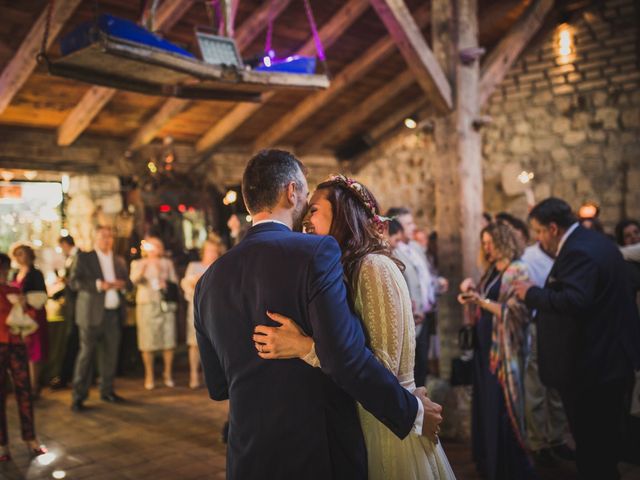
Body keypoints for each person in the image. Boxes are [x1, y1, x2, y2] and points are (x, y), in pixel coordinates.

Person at [194, 149, 444, 480]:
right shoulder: (314, 253)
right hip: (316, 452)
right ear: (291, 191)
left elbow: (218, 386)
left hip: (247, 456)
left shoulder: (208, 280)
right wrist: (410, 411)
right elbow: (345, 356)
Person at [254, 174, 456, 479]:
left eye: (314, 209)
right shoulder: (348, 268)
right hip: (365, 419)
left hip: (386, 424)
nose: (305, 219)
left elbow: (382, 369)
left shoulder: (373, 267)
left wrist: (304, 347)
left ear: (344, 213)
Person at [514, 198, 640, 480]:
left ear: (553, 228)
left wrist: (531, 293)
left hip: (593, 366)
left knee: (593, 448)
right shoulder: (597, 241)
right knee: (605, 443)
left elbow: (575, 299)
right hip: (613, 357)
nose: (537, 237)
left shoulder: (577, 251)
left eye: (538, 231)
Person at [458, 224, 535, 480]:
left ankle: (509, 468)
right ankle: (488, 463)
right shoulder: (492, 269)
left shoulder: (517, 269)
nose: (486, 247)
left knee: (502, 408)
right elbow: (486, 302)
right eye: (484, 242)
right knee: (486, 405)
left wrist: (482, 302)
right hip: (485, 349)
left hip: (504, 351)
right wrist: (471, 295)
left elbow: (518, 312)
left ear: (504, 241)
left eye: (491, 242)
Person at [496, 213, 573, 465]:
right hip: (535, 324)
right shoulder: (528, 258)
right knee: (536, 384)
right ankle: (539, 441)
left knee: (558, 385)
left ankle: (557, 438)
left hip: (561, 322)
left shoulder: (566, 252)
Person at [69, 225, 129, 411]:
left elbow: (129, 283)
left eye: (110, 237)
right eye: (103, 236)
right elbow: (73, 282)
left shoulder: (118, 260)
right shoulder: (84, 258)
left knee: (110, 355)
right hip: (90, 314)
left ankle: (107, 390)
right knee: (86, 355)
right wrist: (98, 285)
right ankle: (78, 396)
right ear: (95, 238)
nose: (107, 240)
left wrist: (123, 285)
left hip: (113, 313)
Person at [388, 207, 447, 387]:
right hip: (412, 318)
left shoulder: (416, 248)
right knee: (411, 368)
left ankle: (423, 401)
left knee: (423, 364)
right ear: (396, 226)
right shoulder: (393, 249)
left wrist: (437, 283)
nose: (413, 227)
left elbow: (423, 278)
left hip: (426, 314)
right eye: (408, 223)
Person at [0, 253, 47, 462]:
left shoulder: (15, 289)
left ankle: (30, 438)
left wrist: (25, 305)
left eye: (4, 269)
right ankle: (2, 444)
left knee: (24, 391)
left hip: (17, 344)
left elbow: (31, 315)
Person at [130, 236, 178, 390]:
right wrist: (143, 269)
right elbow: (134, 280)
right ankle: (149, 375)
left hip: (164, 305)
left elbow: (175, 282)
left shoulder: (167, 263)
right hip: (147, 304)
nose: (155, 249)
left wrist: (166, 282)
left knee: (168, 340)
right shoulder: (138, 263)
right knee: (147, 341)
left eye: (158, 245)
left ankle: (167, 374)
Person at [181, 235, 225, 389]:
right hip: (196, 308)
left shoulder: (221, 266)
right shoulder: (194, 266)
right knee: (194, 343)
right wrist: (193, 283)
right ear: (203, 251)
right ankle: (194, 374)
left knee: (216, 343)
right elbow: (185, 285)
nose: (212, 253)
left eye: (215, 251)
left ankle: (215, 377)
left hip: (215, 310)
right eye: (209, 250)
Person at [10, 244, 48, 399]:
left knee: (34, 350)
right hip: (19, 316)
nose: (20, 257)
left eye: (23, 254)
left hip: (33, 315)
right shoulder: (14, 274)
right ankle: (23, 385)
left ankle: (34, 386)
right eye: (17, 254)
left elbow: (42, 295)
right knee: (22, 350)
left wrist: (26, 299)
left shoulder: (35, 273)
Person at [50, 235, 80, 390]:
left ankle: (67, 376)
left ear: (65, 244)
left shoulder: (78, 257)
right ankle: (67, 376)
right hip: (72, 306)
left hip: (77, 308)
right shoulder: (71, 258)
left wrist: (65, 282)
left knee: (72, 341)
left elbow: (77, 283)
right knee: (72, 341)